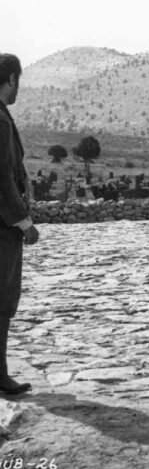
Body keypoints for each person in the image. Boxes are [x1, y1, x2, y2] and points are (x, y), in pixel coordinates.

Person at [0, 54, 39, 394]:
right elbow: (2, 179)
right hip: (2, 226)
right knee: (2, 301)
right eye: (18, 82)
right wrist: (24, 222)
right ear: (11, 78)